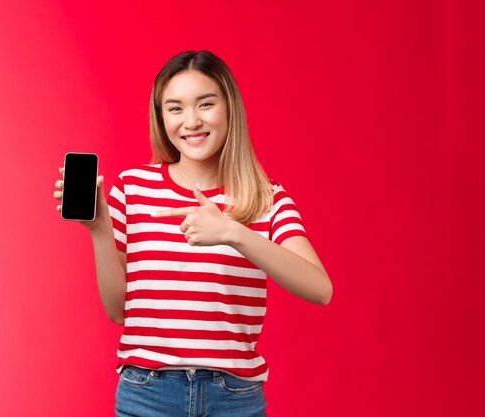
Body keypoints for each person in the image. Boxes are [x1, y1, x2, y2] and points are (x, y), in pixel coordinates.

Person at [54, 50, 332, 417]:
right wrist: (100, 231)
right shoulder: (132, 189)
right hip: (147, 394)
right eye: (175, 108)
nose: (191, 121)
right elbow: (119, 311)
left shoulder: (266, 198)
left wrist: (235, 232)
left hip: (234, 398)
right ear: (161, 117)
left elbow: (320, 289)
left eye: (205, 103)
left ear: (229, 107)